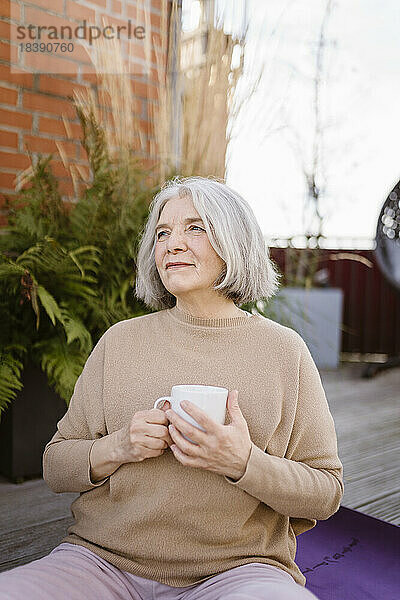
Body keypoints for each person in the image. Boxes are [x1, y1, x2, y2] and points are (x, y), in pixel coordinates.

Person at [0, 176, 344, 600]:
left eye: (195, 228)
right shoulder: (120, 341)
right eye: (162, 233)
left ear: (234, 243)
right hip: (102, 563)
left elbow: (326, 492)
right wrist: (119, 446)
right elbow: (55, 465)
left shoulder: (283, 351)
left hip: (238, 572)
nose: (172, 244)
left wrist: (241, 461)